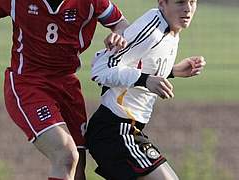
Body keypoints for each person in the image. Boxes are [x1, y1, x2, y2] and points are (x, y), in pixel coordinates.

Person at [0, 0, 129, 180]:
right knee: (65, 154)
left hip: (67, 86)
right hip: (28, 85)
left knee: (78, 168)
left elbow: (120, 23)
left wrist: (119, 35)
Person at [85, 0, 206, 179]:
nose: (188, 9)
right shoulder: (152, 27)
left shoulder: (170, 30)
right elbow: (100, 68)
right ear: (162, 4)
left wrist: (172, 71)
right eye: (180, 2)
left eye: (192, 2)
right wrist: (145, 79)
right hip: (114, 131)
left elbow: (136, 64)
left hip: (126, 130)